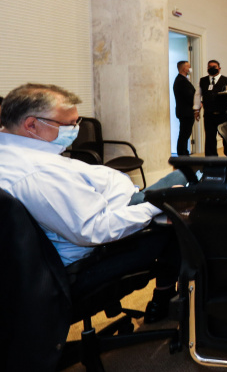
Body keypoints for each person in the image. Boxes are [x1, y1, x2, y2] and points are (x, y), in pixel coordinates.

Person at [0, 84, 188, 321]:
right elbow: (94, 229)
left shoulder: (14, 152)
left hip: (106, 211)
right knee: (183, 190)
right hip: (96, 252)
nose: (75, 131)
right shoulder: (38, 175)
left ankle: (162, 297)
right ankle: (165, 297)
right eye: (68, 125)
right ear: (31, 124)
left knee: (177, 198)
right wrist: (157, 205)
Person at [195, 59, 227, 156]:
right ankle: (211, 161)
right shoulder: (203, 81)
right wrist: (196, 110)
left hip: (224, 115)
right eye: (209, 67)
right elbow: (197, 96)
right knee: (210, 138)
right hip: (209, 115)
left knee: (226, 137)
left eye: (214, 67)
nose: (212, 68)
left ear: (219, 68)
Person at [173, 60, 196, 156]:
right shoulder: (181, 81)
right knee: (184, 134)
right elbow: (189, 96)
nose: (190, 68)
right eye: (188, 67)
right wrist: (198, 104)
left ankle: (184, 153)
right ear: (184, 68)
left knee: (185, 134)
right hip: (185, 112)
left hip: (185, 111)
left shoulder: (182, 79)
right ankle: (182, 155)